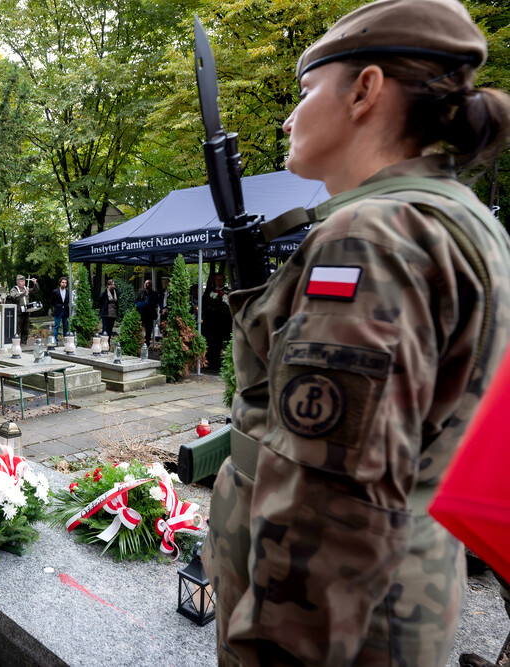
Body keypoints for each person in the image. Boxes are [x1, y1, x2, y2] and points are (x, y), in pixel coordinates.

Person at [201, 2, 510, 666]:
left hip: (340, 627)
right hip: (397, 591)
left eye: (307, 90)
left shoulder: (372, 238)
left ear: (366, 90)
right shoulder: (461, 222)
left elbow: (330, 511)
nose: (289, 117)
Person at [202, 272, 231, 369]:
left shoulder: (228, 292)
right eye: (217, 279)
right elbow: (205, 304)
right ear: (214, 281)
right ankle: (210, 363)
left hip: (223, 323)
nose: (219, 281)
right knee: (211, 344)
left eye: (221, 279)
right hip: (211, 323)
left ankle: (222, 364)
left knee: (223, 344)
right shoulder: (210, 291)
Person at [8, 275, 34, 344]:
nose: (23, 282)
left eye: (24, 281)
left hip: (26, 311)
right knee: (17, 328)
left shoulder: (26, 288)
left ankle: (24, 342)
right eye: (21, 281)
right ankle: (15, 343)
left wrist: (35, 284)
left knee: (25, 328)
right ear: (17, 282)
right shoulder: (14, 290)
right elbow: (14, 297)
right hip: (18, 313)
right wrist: (24, 293)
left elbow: (35, 291)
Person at [134, 279, 157, 346]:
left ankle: (147, 342)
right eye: (146, 284)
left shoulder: (154, 294)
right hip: (141, 314)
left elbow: (153, 304)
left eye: (148, 284)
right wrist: (142, 305)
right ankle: (139, 341)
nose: (147, 285)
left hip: (150, 315)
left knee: (149, 330)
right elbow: (136, 302)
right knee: (139, 328)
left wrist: (145, 304)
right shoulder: (141, 293)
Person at [97, 278, 119, 342]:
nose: (113, 286)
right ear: (108, 285)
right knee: (105, 328)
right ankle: (103, 342)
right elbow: (100, 301)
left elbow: (117, 302)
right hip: (105, 313)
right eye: (112, 284)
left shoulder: (116, 292)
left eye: (114, 284)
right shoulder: (104, 293)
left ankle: (108, 342)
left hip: (113, 313)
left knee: (110, 328)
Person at [50, 276, 70, 343]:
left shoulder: (68, 292)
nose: (64, 284)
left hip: (66, 311)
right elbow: (52, 301)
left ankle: (65, 341)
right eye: (63, 282)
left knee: (66, 326)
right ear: (60, 283)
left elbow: (68, 301)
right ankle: (55, 341)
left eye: (65, 283)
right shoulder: (55, 291)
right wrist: (57, 306)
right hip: (58, 310)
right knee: (57, 326)